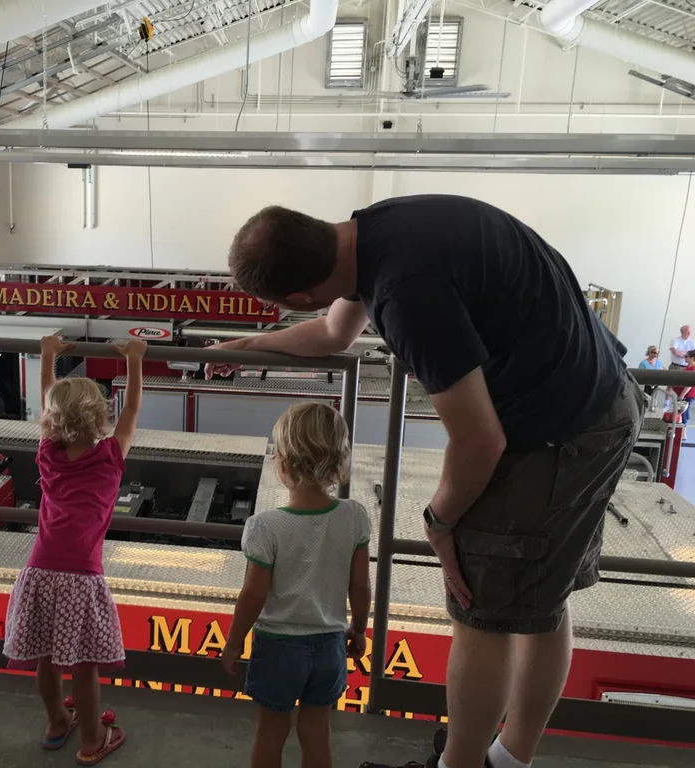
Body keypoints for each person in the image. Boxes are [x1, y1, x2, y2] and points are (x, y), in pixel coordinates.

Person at [211, 195, 642, 768]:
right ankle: (509, 757)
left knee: (481, 613)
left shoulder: (407, 294)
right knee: (543, 599)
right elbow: (333, 335)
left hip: (559, 435)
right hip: (599, 399)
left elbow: (479, 440)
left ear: (299, 296)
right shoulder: (374, 228)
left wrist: (439, 523)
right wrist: (242, 347)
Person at [2, 335, 145, 766]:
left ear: (51, 420)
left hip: (39, 571)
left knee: (47, 658)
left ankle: (55, 724)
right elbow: (133, 409)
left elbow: (46, 401)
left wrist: (48, 355)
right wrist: (135, 361)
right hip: (83, 576)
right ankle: (92, 738)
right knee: (84, 665)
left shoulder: (48, 454)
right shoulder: (109, 458)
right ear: (101, 415)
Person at [222, 402, 371, 768]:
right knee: (317, 732)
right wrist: (359, 629)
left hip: (278, 647)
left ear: (284, 464)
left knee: (271, 734)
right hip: (330, 645)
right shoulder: (354, 517)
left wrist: (234, 641)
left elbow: (253, 595)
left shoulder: (265, 526)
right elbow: (360, 586)